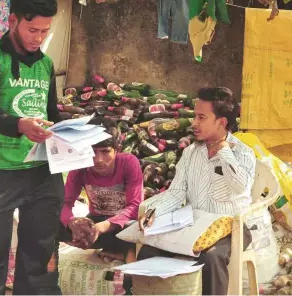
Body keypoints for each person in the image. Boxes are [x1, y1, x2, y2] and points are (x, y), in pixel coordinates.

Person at [0, 0, 63, 295]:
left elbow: (52, 113)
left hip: (42, 172)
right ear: (12, 21)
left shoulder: (46, 64)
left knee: (38, 257)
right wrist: (21, 125)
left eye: (45, 31)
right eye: (32, 29)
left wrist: (72, 135)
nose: (38, 37)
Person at [137, 87, 256, 295]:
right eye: (194, 116)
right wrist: (154, 212)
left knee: (210, 257)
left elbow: (241, 186)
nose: (194, 123)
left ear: (222, 122)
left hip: (232, 229)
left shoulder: (243, 153)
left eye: (201, 117)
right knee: (148, 250)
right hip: (193, 226)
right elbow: (176, 193)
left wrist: (224, 152)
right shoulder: (191, 152)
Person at [59, 116, 142, 261]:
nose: (98, 160)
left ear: (117, 149)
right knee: (52, 224)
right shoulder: (80, 167)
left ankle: (124, 253)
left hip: (122, 225)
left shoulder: (129, 163)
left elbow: (135, 206)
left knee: (140, 229)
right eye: (92, 152)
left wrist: (104, 227)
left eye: (105, 151)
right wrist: (72, 223)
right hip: (96, 222)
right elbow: (65, 203)